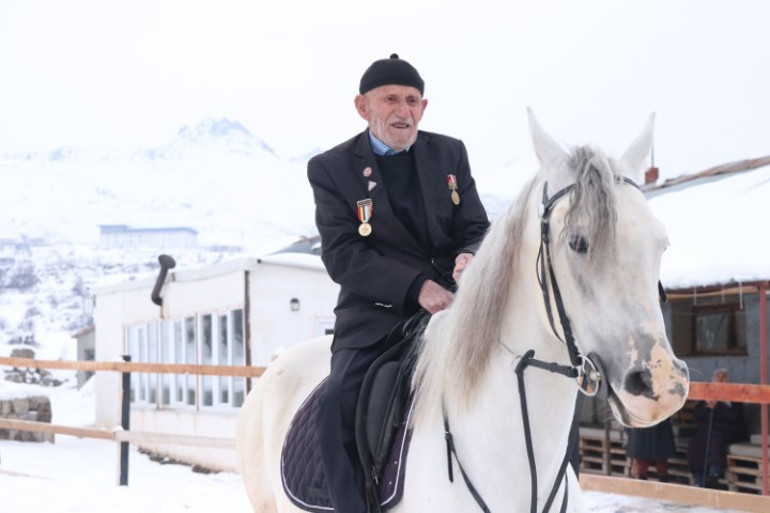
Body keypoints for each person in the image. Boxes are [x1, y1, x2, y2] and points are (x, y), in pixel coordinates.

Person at [308, 54, 490, 513]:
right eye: (390, 99)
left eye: (412, 100)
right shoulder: (331, 169)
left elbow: (475, 226)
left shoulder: (450, 153)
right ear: (361, 106)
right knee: (336, 409)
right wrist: (417, 288)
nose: (402, 110)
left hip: (455, 304)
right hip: (375, 314)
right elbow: (343, 255)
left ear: (423, 108)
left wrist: (470, 254)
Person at [687, 368, 748, 488]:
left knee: (715, 437)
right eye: (718, 378)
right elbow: (696, 416)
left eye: (723, 378)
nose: (720, 380)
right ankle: (699, 477)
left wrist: (718, 405)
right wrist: (707, 406)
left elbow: (736, 416)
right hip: (708, 429)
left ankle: (714, 473)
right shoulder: (709, 394)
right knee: (697, 441)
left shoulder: (734, 394)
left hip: (730, 430)